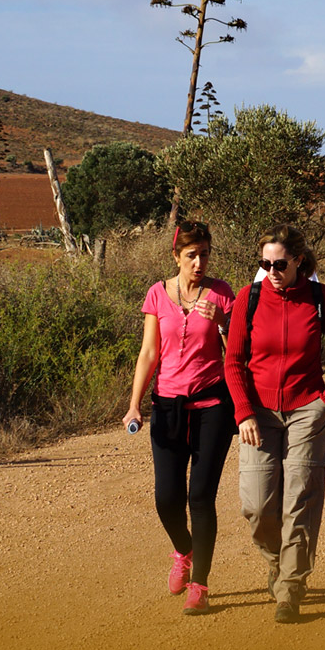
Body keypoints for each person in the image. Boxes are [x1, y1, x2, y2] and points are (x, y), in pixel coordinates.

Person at [225, 226, 325, 624]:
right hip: (258, 415)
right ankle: (277, 561)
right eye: (264, 264)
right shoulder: (249, 298)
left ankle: (291, 587)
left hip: (305, 412)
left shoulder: (320, 298)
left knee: (300, 500)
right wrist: (244, 411)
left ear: (299, 260)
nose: (271, 271)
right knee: (257, 505)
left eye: (279, 264)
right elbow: (232, 362)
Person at [123, 221, 238, 616]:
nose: (199, 262)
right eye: (191, 255)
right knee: (167, 498)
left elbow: (240, 347)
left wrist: (222, 321)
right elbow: (149, 354)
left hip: (213, 408)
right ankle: (184, 551)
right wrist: (135, 403)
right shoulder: (158, 294)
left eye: (205, 254)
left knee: (201, 498)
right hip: (168, 406)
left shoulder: (223, 293)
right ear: (176, 257)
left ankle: (200, 586)